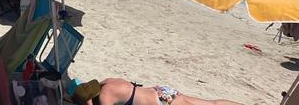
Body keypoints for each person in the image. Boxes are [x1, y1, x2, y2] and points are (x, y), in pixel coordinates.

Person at [95, 77, 241, 105]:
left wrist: (87, 101)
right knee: (212, 103)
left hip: (161, 102)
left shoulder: (106, 97)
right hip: (162, 91)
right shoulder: (108, 81)